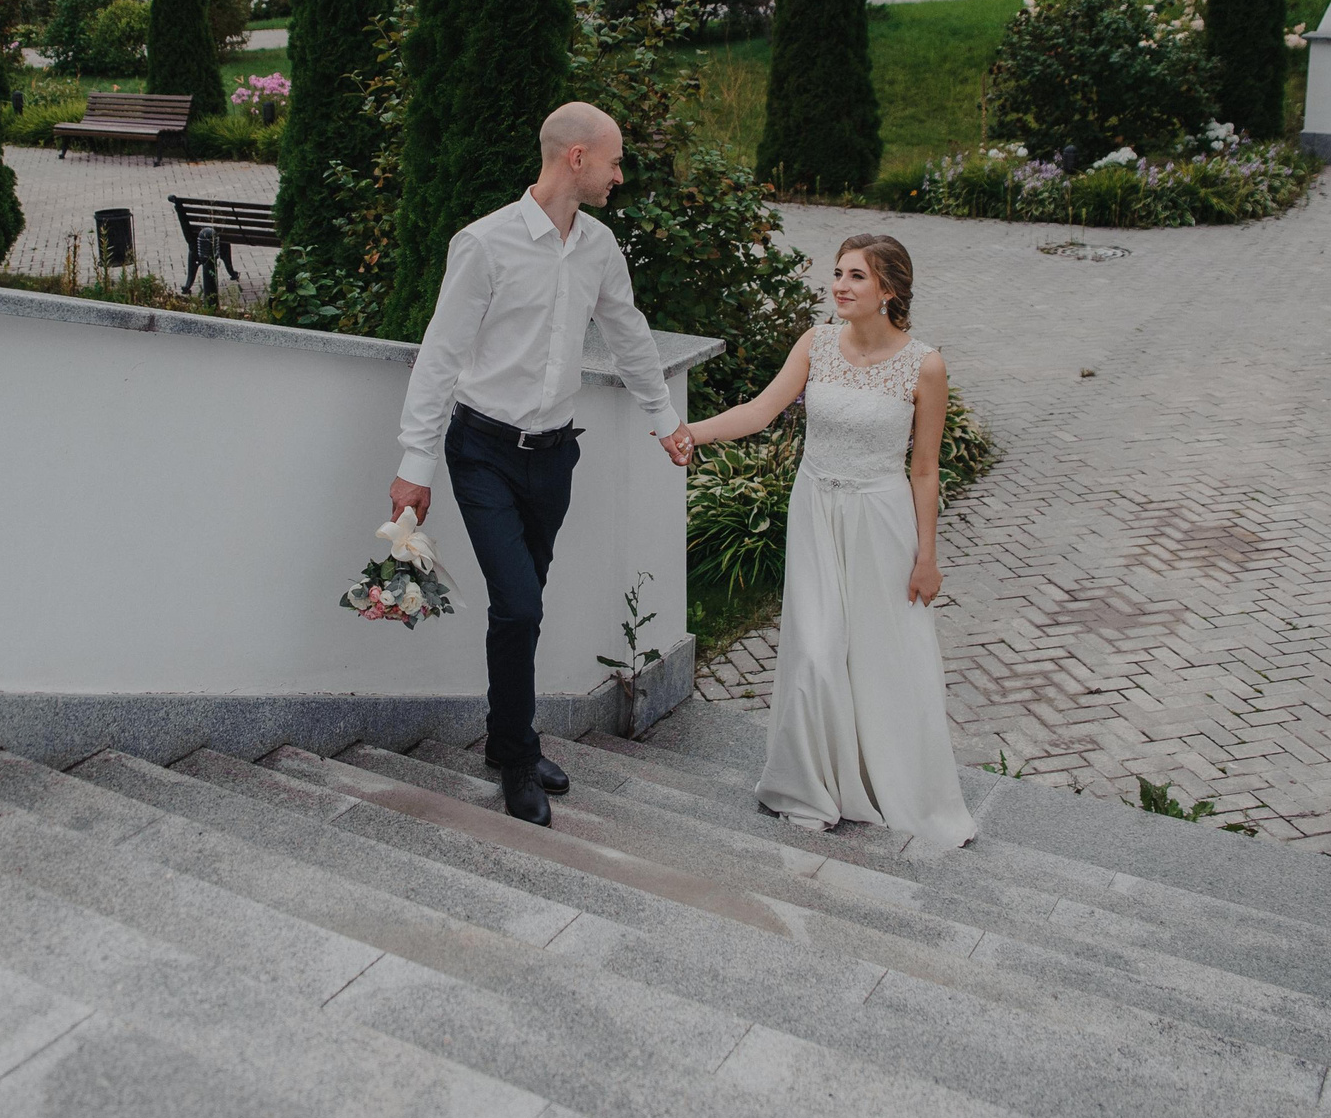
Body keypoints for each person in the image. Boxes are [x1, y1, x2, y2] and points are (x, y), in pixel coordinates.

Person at [390, 102, 682, 826]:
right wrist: (414, 463)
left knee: (523, 609)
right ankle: (517, 756)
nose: (621, 175)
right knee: (520, 605)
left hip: (555, 458)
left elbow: (629, 334)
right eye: (614, 161)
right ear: (575, 157)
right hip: (482, 451)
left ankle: (503, 736)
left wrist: (666, 421)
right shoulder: (484, 244)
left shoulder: (600, 247)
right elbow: (441, 356)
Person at [662, 233, 976, 848]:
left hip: (879, 521)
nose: (839, 285)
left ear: (888, 291)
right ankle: (810, 785)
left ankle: (886, 780)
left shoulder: (925, 365)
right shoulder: (817, 343)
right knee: (813, 650)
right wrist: (691, 432)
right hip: (815, 511)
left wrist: (927, 555)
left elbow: (926, 469)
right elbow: (759, 411)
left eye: (856, 276)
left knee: (882, 655)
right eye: (838, 272)